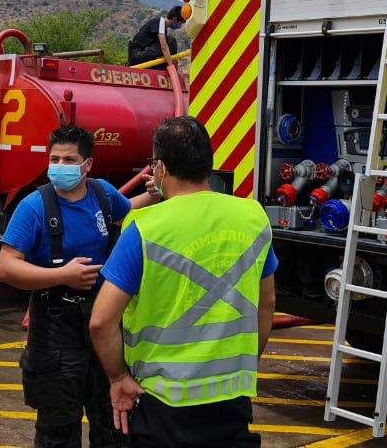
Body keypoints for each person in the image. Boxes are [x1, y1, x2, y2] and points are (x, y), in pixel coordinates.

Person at [90, 116, 278, 447]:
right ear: (208, 163)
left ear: (160, 168)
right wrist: (245, 362)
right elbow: (268, 304)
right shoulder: (253, 217)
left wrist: (118, 377)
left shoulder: (144, 226)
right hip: (232, 399)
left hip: (162, 402)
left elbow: (102, 322)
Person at [0, 124, 160, 448]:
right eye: (54, 159)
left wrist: (156, 194)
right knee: (58, 430)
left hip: (104, 326)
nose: (59, 167)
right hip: (55, 330)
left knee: (114, 423)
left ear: (87, 165)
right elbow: (6, 266)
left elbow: (128, 212)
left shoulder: (102, 193)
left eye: (68, 160)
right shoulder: (34, 207)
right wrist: (62, 276)